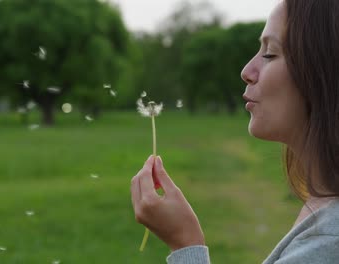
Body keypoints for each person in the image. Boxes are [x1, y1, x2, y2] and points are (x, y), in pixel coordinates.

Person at [130, 0, 339, 263]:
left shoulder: (330, 242)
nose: (247, 72)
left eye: (270, 54)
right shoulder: (324, 206)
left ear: (325, 72)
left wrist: (185, 243)